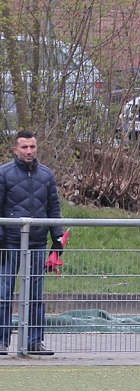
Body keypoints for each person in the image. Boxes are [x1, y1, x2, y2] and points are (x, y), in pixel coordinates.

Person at [0, 131, 63, 356]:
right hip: (9, 244)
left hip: (37, 244)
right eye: (25, 147)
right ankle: (1, 341)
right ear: (15, 149)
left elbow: (53, 208)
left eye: (32, 147)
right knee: (3, 294)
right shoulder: (4, 174)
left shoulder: (46, 175)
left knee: (35, 295)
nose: (29, 151)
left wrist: (57, 239)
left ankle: (35, 342)